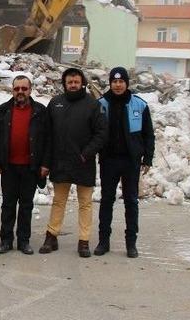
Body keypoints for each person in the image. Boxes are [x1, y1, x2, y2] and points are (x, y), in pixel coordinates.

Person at [40, 67, 107, 258]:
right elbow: (48, 135)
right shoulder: (55, 103)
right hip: (60, 162)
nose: (73, 85)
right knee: (58, 201)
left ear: (82, 83)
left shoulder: (93, 105)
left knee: (85, 203)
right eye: (69, 82)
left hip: (83, 162)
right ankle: (51, 237)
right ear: (64, 84)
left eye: (76, 82)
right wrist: (46, 162)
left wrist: (86, 154)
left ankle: (84, 241)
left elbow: (101, 133)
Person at [97, 67, 154, 258]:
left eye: (121, 81)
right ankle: (103, 242)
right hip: (109, 160)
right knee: (106, 200)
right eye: (114, 81)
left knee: (131, 201)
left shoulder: (140, 105)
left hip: (131, 161)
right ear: (110, 83)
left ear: (127, 83)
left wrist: (148, 158)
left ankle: (131, 244)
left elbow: (148, 134)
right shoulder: (101, 104)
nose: (118, 85)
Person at [0, 75, 49, 255]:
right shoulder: (2, 110)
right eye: (17, 89)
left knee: (26, 206)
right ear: (12, 90)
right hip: (9, 167)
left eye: (24, 88)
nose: (20, 92)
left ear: (30, 90)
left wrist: (45, 164)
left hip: (31, 167)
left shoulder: (40, 111)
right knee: (8, 205)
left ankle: (24, 241)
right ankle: (6, 240)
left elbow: (48, 139)